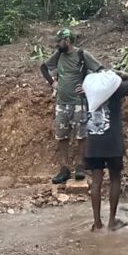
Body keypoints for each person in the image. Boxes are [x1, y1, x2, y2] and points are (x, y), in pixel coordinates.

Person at [40, 28, 103, 184]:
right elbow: (43, 67)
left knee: (81, 136)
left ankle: (81, 166)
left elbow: (100, 70)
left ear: (67, 41)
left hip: (79, 103)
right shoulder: (59, 54)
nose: (57, 44)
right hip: (62, 103)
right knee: (62, 136)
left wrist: (87, 85)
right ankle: (64, 168)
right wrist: (53, 83)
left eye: (59, 41)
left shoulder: (82, 55)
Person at [84, 71, 128, 232]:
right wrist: (118, 73)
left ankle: (97, 222)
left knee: (96, 181)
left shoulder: (88, 90)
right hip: (112, 141)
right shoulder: (116, 89)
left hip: (93, 140)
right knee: (115, 178)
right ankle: (112, 221)